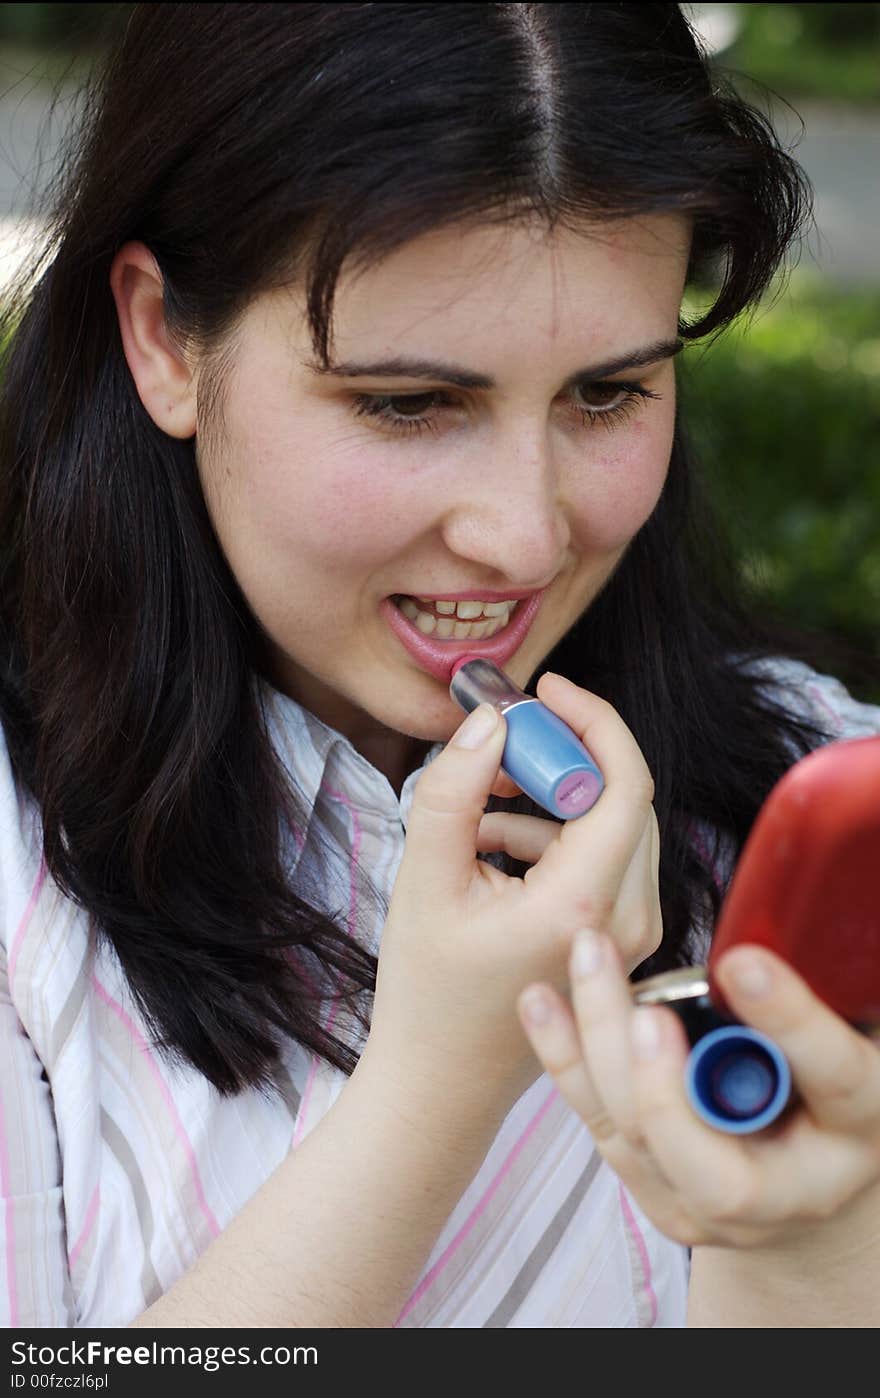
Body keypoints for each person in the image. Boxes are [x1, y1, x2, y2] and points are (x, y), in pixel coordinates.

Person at [1, 3, 878, 1331]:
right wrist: (434, 1086)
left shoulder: (816, 804)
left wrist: (799, 1250)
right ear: (165, 341)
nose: (525, 535)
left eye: (608, 394)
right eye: (409, 403)